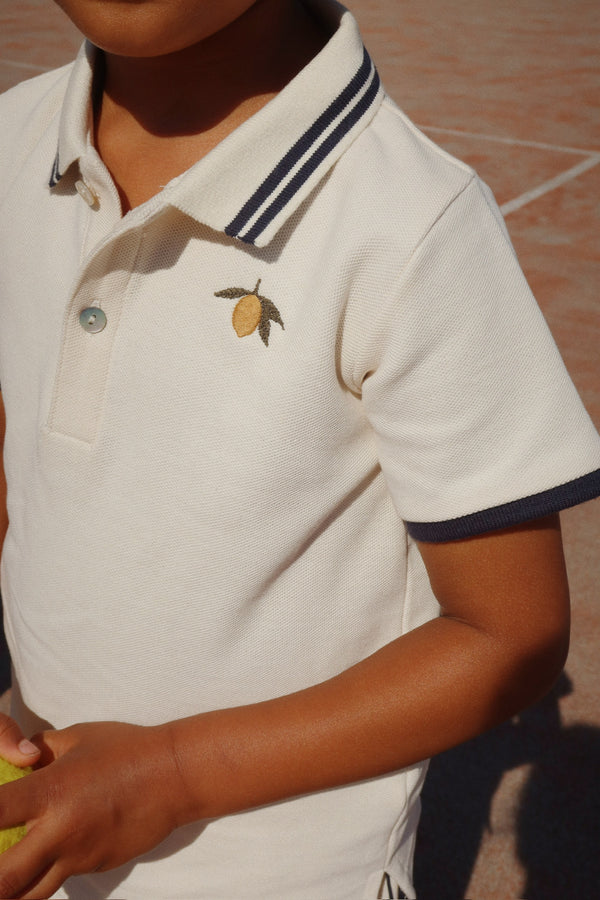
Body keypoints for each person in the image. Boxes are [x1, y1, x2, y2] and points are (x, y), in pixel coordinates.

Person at [0, 0, 598, 898]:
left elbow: (509, 631)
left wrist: (174, 773)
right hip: (44, 807)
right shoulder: (14, 133)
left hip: (288, 870)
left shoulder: (412, 225)